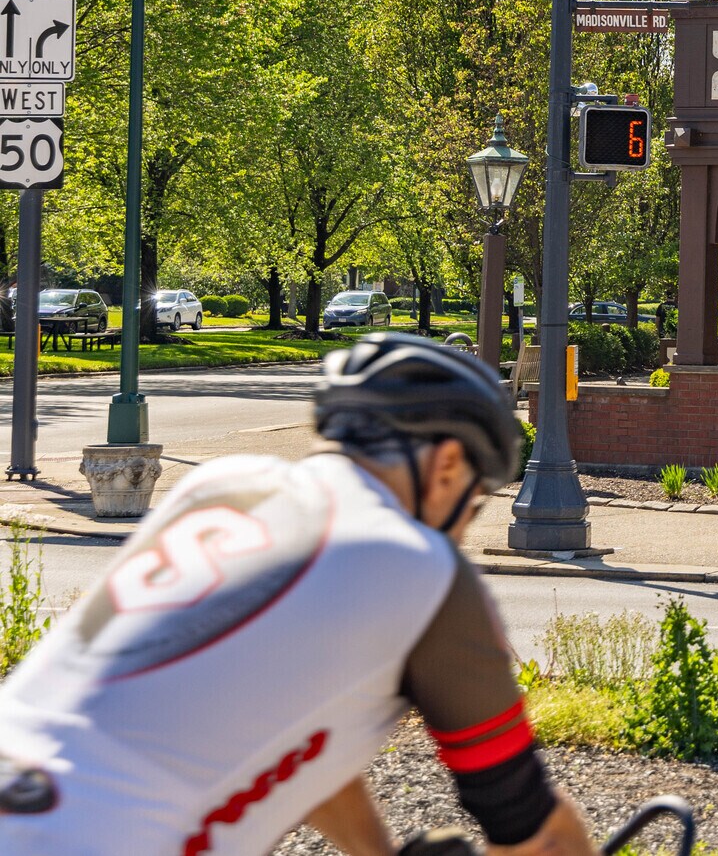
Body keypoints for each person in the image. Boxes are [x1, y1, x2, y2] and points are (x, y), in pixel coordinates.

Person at [0, 334, 598, 856]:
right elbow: (533, 832)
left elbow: (287, 727)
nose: (462, 529)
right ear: (446, 466)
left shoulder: (221, 488)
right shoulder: (419, 566)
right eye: (472, 506)